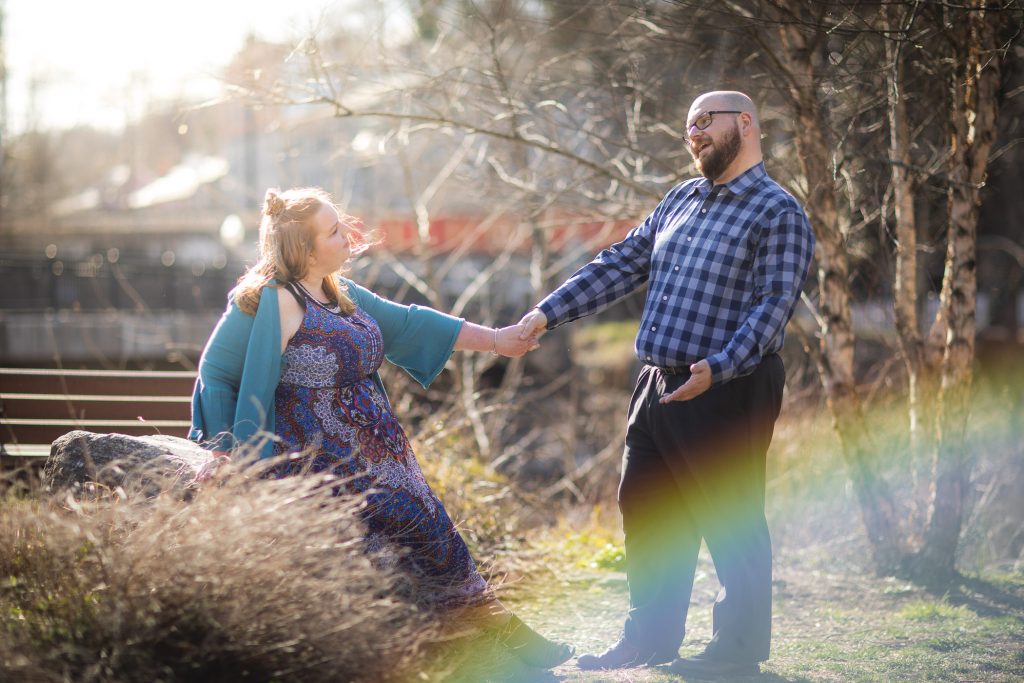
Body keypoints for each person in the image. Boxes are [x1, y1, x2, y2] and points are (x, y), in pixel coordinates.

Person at [189, 186, 573, 672]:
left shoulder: (335, 290)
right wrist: (223, 450)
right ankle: (500, 637)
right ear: (303, 250)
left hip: (384, 456)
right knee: (408, 551)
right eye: (333, 231)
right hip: (322, 469)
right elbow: (217, 372)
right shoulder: (266, 300)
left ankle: (489, 639)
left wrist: (498, 341)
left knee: (437, 539)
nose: (347, 234)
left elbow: (411, 325)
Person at [518, 91, 815, 678]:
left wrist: (721, 365)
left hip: (728, 387)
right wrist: (545, 314)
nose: (694, 133)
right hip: (656, 383)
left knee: (729, 522)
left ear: (746, 124)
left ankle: (737, 653)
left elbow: (773, 306)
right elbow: (621, 263)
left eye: (705, 121)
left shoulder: (778, 212)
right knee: (646, 508)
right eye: (688, 127)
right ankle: (650, 640)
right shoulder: (680, 198)